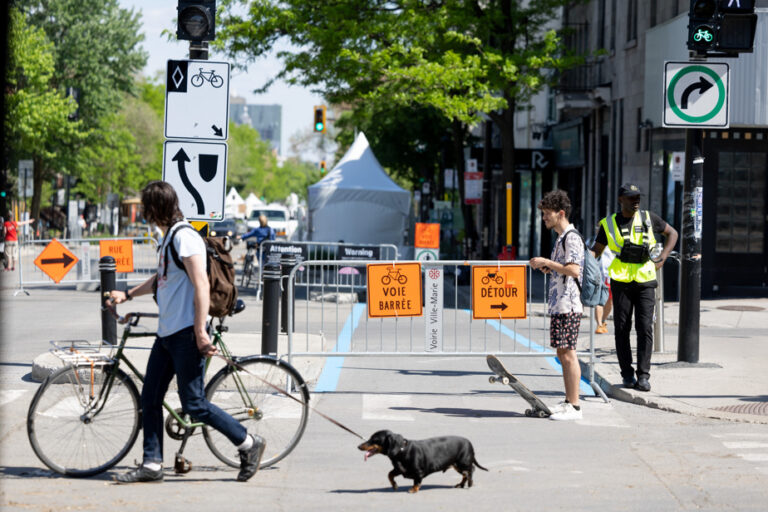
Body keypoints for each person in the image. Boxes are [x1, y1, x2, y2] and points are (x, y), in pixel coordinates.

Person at [107, 181, 265, 483]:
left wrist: (200, 331)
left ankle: (248, 443)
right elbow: (161, 278)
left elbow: (202, 283)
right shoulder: (169, 239)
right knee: (150, 397)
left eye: (146, 207)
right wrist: (127, 295)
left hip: (186, 334)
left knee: (194, 404)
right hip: (168, 334)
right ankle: (153, 464)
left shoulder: (186, 238)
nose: (144, 213)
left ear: (157, 208)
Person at [592, 183, 678, 392]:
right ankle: (627, 374)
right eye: (631, 197)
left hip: (645, 279)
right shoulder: (609, 223)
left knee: (644, 327)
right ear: (621, 200)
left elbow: (672, 233)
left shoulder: (649, 218)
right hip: (621, 280)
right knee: (622, 328)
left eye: (638, 197)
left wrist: (663, 257)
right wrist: (580, 267)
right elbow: (596, 251)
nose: (636, 200)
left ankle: (644, 376)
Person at [529, 190, 584, 421]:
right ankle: (568, 401)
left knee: (569, 354)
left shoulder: (571, 237)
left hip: (569, 305)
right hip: (560, 304)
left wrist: (547, 262)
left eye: (547, 214)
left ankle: (575, 406)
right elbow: (564, 268)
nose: (544, 218)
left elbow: (574, 269)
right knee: (562, 353)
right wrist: (550, 267)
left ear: (560, 213)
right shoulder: (561, 238)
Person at [593, 248, 614, 334]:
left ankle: (603, 320)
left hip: (612, 276)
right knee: (600, 301)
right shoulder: (596, 242)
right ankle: (599, 325)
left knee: (609, 303)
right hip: (601, 276)